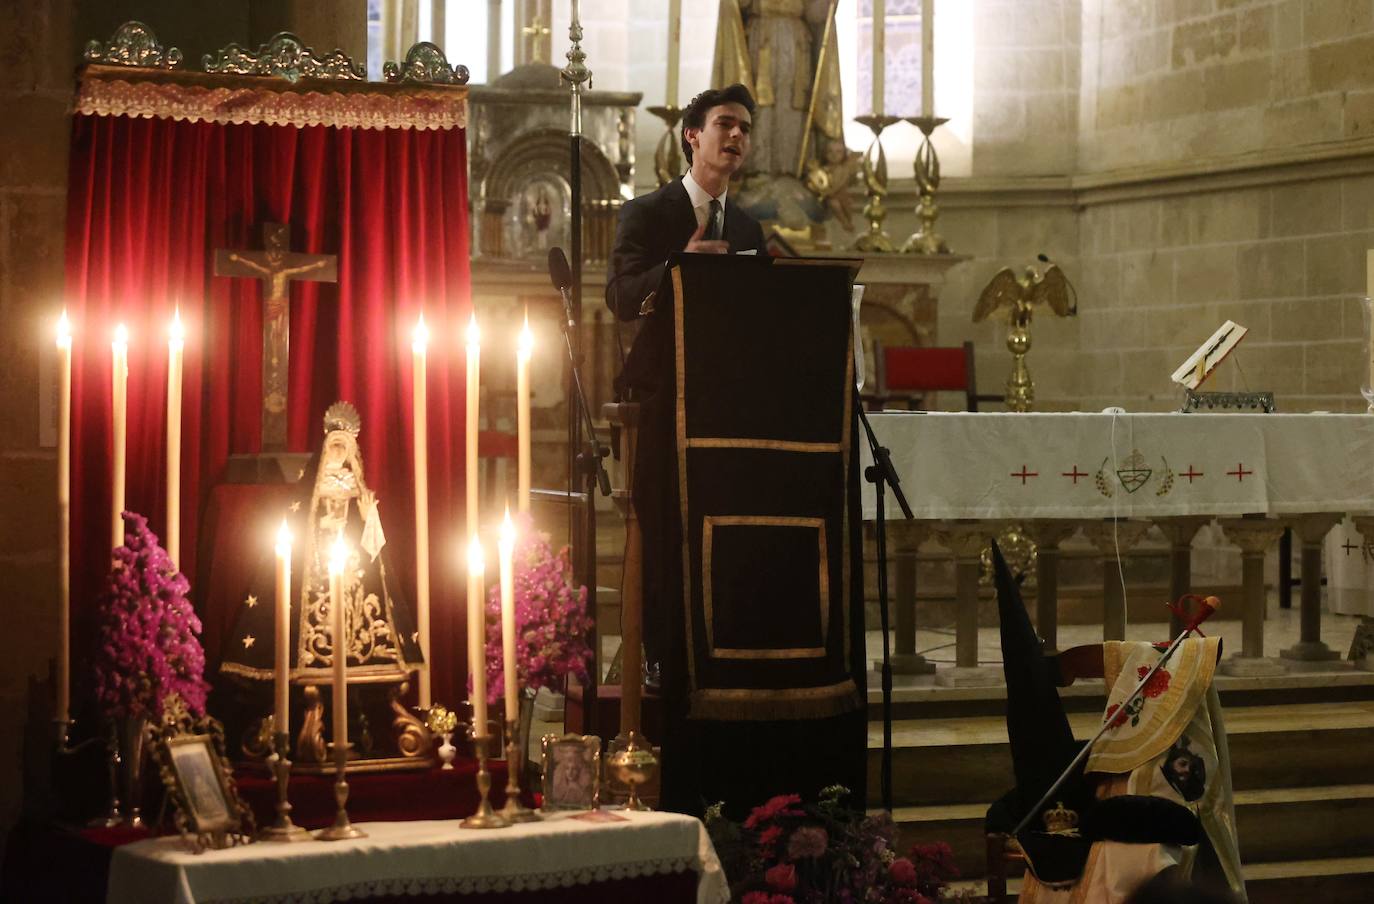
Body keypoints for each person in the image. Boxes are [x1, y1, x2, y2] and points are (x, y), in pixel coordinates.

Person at [605, 83, 769, 322]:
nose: (737, 134)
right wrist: (678, 267)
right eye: (724, 124)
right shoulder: (644, 212)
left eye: (745, 129)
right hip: (663, 357)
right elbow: (619, 297)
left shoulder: (749, 229)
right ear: (692, 135)